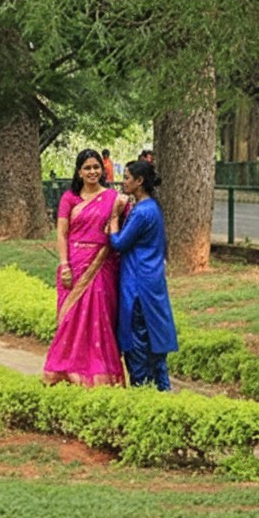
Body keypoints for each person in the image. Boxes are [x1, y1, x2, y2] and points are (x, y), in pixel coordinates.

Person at [43, 149, 126, 387]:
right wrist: (64, 264)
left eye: (96, 167)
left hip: (102, 265)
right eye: (87, 168)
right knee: (71, 320)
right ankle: (67, 371)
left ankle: (99, 373)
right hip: (75, 264)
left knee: (100, 319)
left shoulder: (114, 199)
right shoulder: (70, 198)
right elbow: (61, 232)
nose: (92, 172)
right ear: (79, 171)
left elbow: (121, 233)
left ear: (103, 170)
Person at [108, 160, 177, 391]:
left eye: (127, 177)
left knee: (136, 340)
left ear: (140, 181)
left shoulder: (141, 212)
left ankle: (142, 392)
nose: (123, 181)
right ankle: (162, 390)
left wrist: (114, 218)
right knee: (154, 339)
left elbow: (119, 243)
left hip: (137, 282)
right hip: (152, 279)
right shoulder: (153, 208)